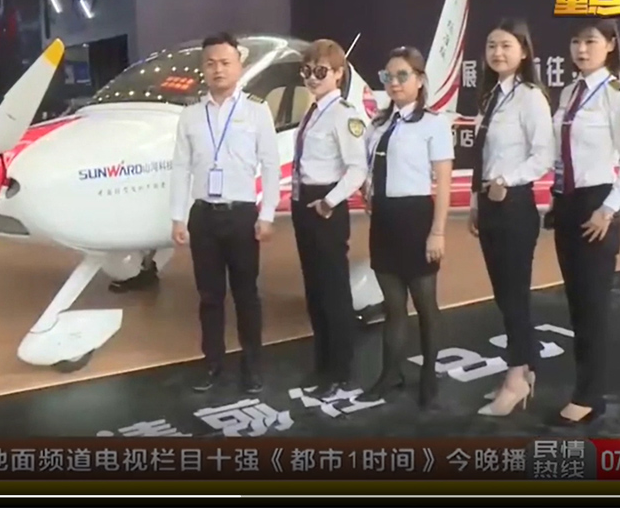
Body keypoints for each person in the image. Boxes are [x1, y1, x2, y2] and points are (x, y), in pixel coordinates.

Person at [169, 32, 281, 394]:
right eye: (211, 63)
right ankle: (213, 364)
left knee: (247, 295)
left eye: (225, 63)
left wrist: (267, 214)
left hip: (242, 215)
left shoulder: (256, 111)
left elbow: (270, 164)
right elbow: (180, 168)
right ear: (203, 68)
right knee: (209, 297)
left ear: (239, 66)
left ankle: (253, 367)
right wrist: (177, 216)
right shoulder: (190, 115)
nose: (218, 69)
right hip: (203, 216)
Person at [548, 19, 620, 425]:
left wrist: (607, 209)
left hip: (596, 206)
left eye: (590, 41)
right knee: (576, 304)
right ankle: (585, 388)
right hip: (567, 204)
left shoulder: (619, 95)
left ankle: (589, 396)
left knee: (592, 306)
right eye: (575, 41)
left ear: (610, 45)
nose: (581, 49)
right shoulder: (569, 92)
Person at [358, 46, 453, 409]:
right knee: (394, 306)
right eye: (388, 76)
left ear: (420, 80)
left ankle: (429, 374)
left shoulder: (433, 123)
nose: (394, 83)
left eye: (402, 76)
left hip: (416, 218)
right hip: (384, 219)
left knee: (425, 304)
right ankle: (390, 373)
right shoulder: (378, 124)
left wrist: (438, 231)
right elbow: (367, 166)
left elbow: (443, 182)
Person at [468, 19, 554, 417]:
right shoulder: (491, 97)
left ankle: (517, 378)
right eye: (491, 45)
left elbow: (543, 155)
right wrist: (475, 201)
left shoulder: (530, 98)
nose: (497, 53)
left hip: (514, 204)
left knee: (514, 297)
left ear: (523, 51)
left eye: (505, 45)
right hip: (489, 203)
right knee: (504, 297)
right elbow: (482, 156)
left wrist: (508, 179)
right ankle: (525, 367)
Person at [291, 38, 368, 399]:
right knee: (314, 288)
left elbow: (357, 168)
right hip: (304, 202)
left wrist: (329, 201)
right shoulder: (313, 111)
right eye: (306, 70)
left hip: (326, 205)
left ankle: (341, 368)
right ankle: (322, 363)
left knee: (333, 290)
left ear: (338, 73)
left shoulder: (343, 114)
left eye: (320, 71)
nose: (312, 77)